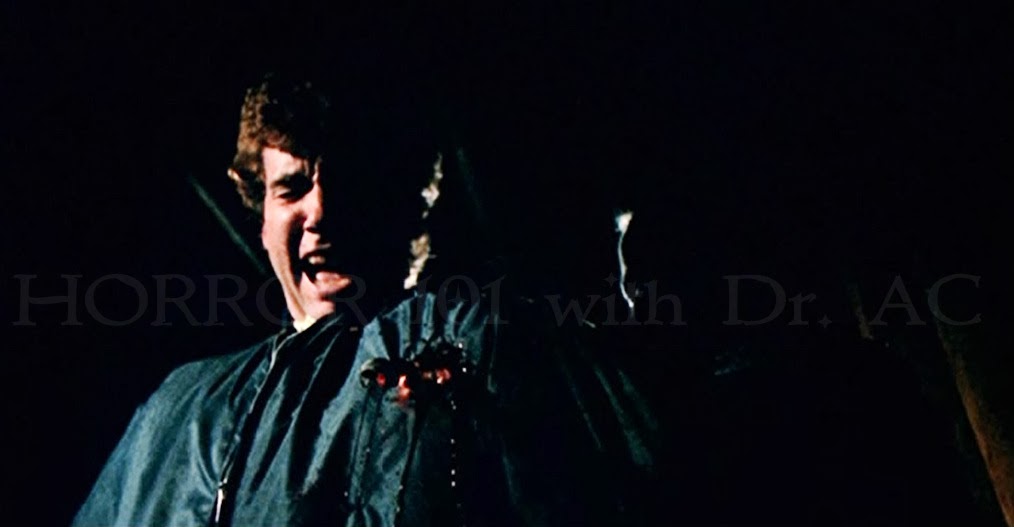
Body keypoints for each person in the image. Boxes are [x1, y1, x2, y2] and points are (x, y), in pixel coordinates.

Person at [73, 74, 658, 527]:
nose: (320, 213)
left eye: (348, 183)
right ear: (261, 213)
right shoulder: (180, 408)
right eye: (292, 189)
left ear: (404, 203)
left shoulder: (482, 341)